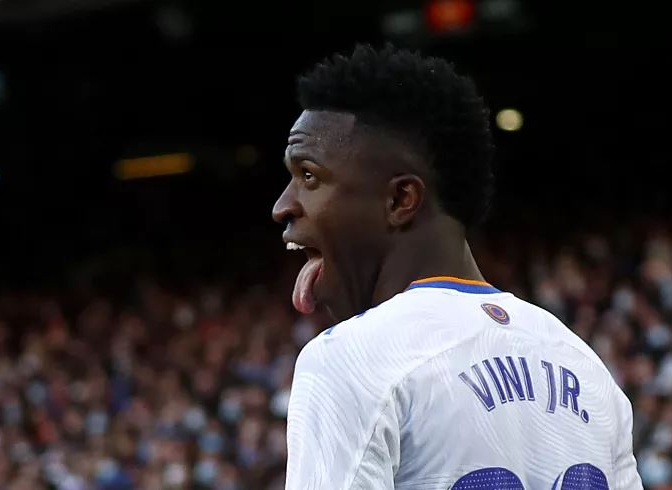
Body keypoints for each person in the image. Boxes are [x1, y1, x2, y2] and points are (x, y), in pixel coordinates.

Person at [274, 44, 641, 489]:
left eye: (308, 176)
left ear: (401, 199)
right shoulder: (585, 366)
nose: (282, 206)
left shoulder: (347, 360)